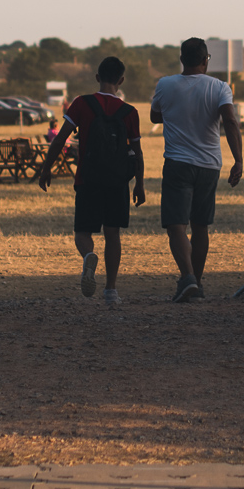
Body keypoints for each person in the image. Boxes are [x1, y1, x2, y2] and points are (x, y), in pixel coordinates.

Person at [37, 57, 144, 304]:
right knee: (113, 233)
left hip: (88, 178)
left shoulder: (82, 104)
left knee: (83, 231)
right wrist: (139, 183)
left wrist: (46, 168)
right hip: (118, 182)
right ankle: (111, 290)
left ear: (97, 77)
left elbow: (60, 139)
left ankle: (88, 257)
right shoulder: (130, 113)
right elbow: (137, 153)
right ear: (122, 80)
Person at [150, 36, 244, 303]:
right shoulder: (220, 87)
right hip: (209, 165)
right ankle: (196, 283)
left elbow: (155, 116)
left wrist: (177, 111)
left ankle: (187, 277)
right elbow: (230, 121)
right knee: (200, 226)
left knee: (175, 224)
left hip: (178, 163)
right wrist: (238, 160)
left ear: (181, 60)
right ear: (206, 61)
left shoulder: (165, 84)